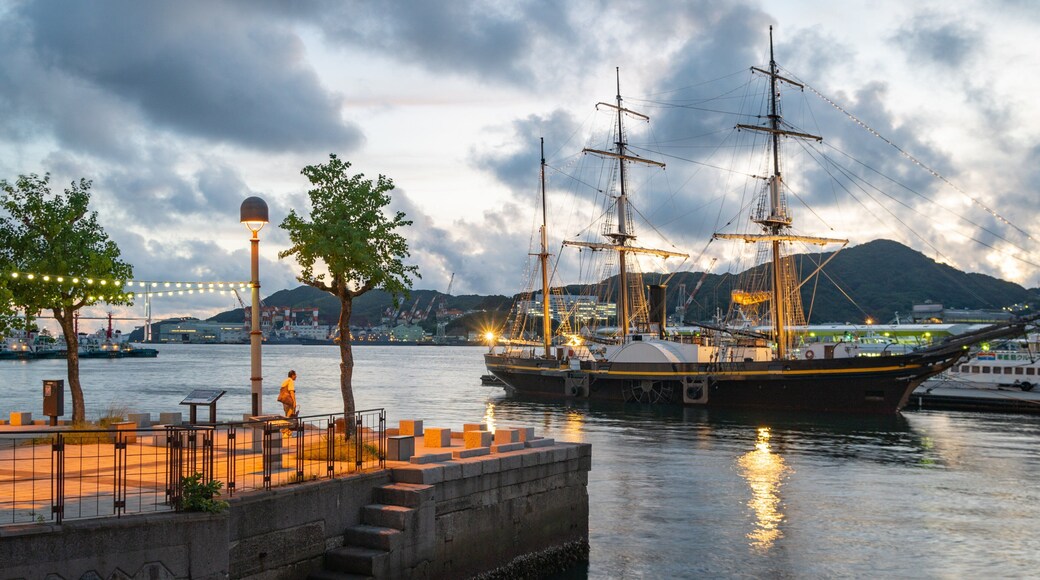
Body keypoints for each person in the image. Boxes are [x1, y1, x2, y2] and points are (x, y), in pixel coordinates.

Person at [279, 370, 298, 437]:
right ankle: (286, 432)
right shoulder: (290, 381)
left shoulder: (285, 381)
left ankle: (285, 432)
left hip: (284, 401)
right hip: (289, 401)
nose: (296, 376)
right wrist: (294, 402)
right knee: (289, 416)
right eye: (295, 375)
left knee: (286, 415)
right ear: (292, 375)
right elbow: (291, 392)